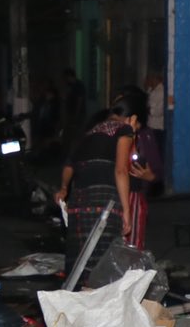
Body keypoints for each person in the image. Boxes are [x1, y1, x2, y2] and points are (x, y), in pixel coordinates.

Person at [56, 88, 146, 276]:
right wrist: (127, 211)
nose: (136, 130)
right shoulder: (124, 130)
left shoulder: (89, 132)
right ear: (133, 118)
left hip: (78, 202)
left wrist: (64, 188)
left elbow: (68, 166)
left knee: (80, 261)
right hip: (104, 202)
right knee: (102, 264)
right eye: (138, 125)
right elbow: (121, 170)